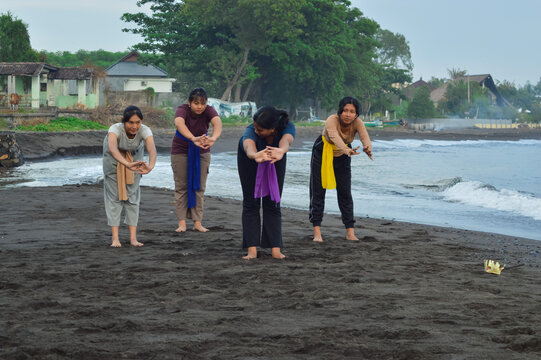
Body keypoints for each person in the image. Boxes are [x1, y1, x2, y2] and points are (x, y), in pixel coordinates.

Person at [309, 96, 373, 243]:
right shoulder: (332, 120)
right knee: (318, 191)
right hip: (323, 152)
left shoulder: (357, 122)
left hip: (343, 155)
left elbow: (365, 137)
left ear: (356, 114)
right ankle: (317, 232)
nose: (348, 114)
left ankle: (350, 232)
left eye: (352, 111)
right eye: (345, 110)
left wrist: (367, 148)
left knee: (345, 193)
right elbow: (334, 137)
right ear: (340, 111)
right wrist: (346, 149)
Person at [237, 106, 295, 260]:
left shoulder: (286, 126)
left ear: (273, 129)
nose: (256, 131)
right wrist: (255, 155)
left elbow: (286, 140)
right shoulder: (251, 130)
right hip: (250, 160)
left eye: (261, 129)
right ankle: (252, 250)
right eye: (255, 127)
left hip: (276, 157)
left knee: (273, 202)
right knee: (251, 202)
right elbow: (248, 144)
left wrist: (281, 152)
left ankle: (275, 249)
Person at [103, 105, 157, 247]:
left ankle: (133, 239)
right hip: (113, 158)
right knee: (114, 197)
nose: (135, 126)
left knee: (133, 196)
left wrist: (150, 167)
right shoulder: (115, 129)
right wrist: (126, 164)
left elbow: (152, 149)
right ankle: (115, 238)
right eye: (131, 122)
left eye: (138, 122)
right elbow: (112, 149)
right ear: (124, 122)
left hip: (134, 156)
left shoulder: (145, 130)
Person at [171, 88, 222, 233]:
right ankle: (182, 223)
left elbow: (217, 123)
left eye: (203, 103)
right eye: (196, 103)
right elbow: (179, 123)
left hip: (202, 150)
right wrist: (193, 138)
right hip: (181, 150)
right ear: (189, 102)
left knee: (199, 187)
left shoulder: (209, 110)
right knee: (181, 186)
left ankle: (197, 222)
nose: (199, 106)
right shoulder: (182, 110)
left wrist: (213, 138)